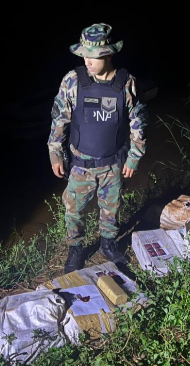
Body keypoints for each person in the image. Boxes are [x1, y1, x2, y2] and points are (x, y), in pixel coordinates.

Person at [48, 23, 148, 273]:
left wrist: (134, 157)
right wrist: (55, 152)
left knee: (111, 210)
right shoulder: (73, 81)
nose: (87, 60)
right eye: (84, 54)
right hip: (80, 166)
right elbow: (59, 120)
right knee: (74, 211)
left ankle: (107, 244)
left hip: (113, 165)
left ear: (109, 54)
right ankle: (75, 248)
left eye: (92, 55)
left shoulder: (126, 83)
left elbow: (139, 122)